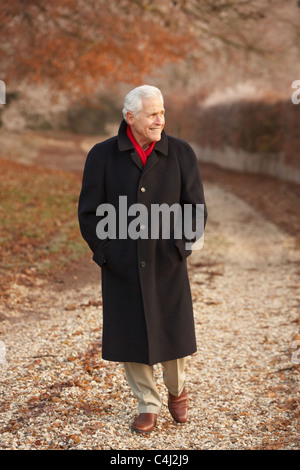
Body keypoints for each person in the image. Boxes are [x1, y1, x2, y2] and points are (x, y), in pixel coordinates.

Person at [78, 85, 207, 433]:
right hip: (122, 262)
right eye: (152, 114)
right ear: (130, 117)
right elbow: (89, 212)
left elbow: (195, 208)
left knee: (174, 329)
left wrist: (180, 248)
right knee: (131, 332)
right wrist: (106, 254)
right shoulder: (102, 155)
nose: (160, 120)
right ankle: (146, 403)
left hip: (167, 261)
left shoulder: (181, 153)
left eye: (162, 112)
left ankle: (177, 390)